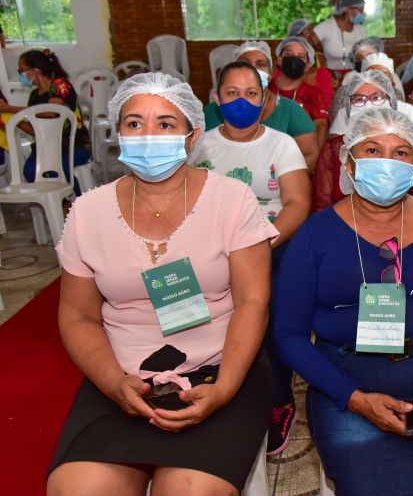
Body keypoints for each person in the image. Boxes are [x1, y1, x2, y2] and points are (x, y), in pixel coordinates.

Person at [47, 72, 278, 494]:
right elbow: (78, 315)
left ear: (191, 137)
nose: (148, 136)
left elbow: (253, 302)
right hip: (119, 375)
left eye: (165, 124)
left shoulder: (232, 199)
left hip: (219, 369)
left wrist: (225, 387)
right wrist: (114, 382)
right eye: (134, 123)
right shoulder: (87, 211)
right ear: (118, 132)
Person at [274, 107, 413, 495]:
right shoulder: (315, 235)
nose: (386, 162)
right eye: (372, 149)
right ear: (349, 161)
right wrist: (355, 399)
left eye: (401, 153)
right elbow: (289, 333)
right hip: (351, 380)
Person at [192, 61, 310, 455]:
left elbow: (296, 203)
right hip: (209, 246)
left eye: (251, 94)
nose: (242, 101)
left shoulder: (281, 144)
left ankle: (279, 399)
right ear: (215, 98)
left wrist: (262, 243)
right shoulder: (200, 145)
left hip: (268, 243)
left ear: (266, 100)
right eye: (231, 93)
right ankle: (207, 383)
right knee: (199, 312)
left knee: (268, 315)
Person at [315, 71, 413, 211]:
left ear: (391, 102)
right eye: (359, 99)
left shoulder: (412, 145)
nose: (369, 104)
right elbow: (323, 203)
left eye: (377, 97)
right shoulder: (334, 150)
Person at [204, 41, 319, 171]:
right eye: (246, 64)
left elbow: (310, 154)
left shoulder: (290, 110)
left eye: (260, 64)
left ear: (270, 74)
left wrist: (276, 180)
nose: (253, 69)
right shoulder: (211, 113)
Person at [16, 49, 91, 189]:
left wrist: (11, 109)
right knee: (30, 172)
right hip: (47, 148)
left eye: (22, 70)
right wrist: (15, 120)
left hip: (73, 146)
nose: (20, 75)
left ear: (35, 70)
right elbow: (35, 131)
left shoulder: (60, 85)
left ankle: (76, 205)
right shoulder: (34, 95)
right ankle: (59, 205)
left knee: (56, 172)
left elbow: (52, 112)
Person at [271, 36, 332, 149]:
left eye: (301, 57)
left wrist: (313, 160)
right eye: (289, 54)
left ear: (308, 65)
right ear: (279, 59)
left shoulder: (315, 94)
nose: (294, 59)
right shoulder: (266, 90)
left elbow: (321, 126)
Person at [311, 0, 367, 80]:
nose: (362, 14)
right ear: (349, 9)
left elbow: (365, 53)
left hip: (353, 76)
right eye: (360, 10)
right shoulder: (327, 26)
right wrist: (319, 54)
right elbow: (308, 42)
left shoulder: (360, 30)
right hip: (330, 77)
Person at [331, 37, 385, 119]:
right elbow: (338, 113)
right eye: (359, 58)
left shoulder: (389, 77)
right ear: (354, 60)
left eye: (369, 56)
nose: (364, 61)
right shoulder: (350, 77)